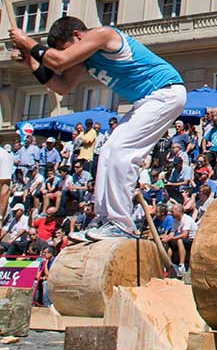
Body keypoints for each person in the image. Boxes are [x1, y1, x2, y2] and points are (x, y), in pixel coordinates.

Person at [8, 17, 186, 241]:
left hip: (164, 93)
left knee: (122, 152)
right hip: (146, 100)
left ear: (77, 35)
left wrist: (26, 42)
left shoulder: (103, 34)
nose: (71, 54)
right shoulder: (86, 55)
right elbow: (62, 86)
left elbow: (60, 61)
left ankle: (122, 224)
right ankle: (105, 219)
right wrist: (30, 62)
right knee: (108, 152)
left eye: (67, 48)